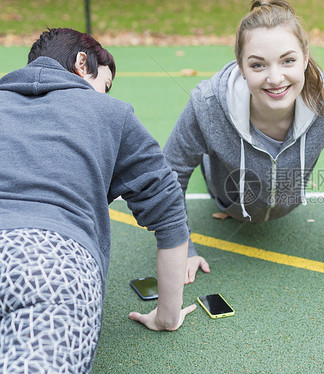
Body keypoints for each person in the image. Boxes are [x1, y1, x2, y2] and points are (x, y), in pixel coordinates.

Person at [0, 28, 196, 373]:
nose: (104, 94)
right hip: (48, 262)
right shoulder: (110, 113)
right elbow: (169, 212)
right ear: (81, 63)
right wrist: (167, 316)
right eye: (104, 85)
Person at [164, 0, 324, 284]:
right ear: (241, 67)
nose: (275, 78)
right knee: (202, 156)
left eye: (288, 60)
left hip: (286, 205)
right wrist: (181, 249)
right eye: (258, 65)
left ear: (305, 58)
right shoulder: (207, 105)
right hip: (227, 198)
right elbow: (169, 174)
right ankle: (211, 156)